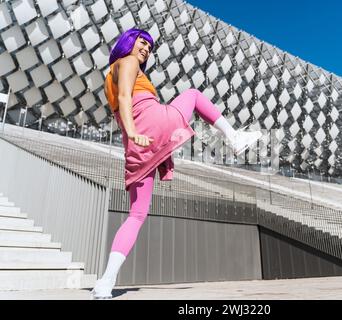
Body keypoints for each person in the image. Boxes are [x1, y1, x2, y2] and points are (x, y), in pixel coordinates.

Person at [91, 28, 262, 299]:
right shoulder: (128, 62)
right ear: (127, 42)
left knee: (136, 215)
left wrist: (133, 134)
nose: (146, 49)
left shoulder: (108, 75)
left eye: (149, 46)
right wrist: (134, 128)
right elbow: (125, 96)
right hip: (148, 124)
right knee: (193, 95)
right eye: (142, 42)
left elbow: (120, 100)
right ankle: (234, 137)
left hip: (136, 145)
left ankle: (106, 281)